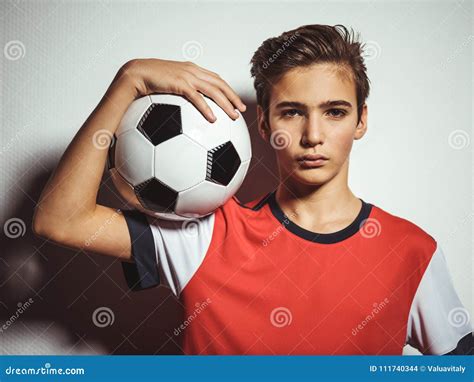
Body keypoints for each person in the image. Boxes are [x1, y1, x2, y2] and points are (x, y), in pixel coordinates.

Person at [33, 24, 472, 355]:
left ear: (361, 121)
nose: (313, 134)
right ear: (263, 124)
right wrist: (128, 80)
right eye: (292, 112)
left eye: (335, 112)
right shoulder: (203, 236)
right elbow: (59, 219)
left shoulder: (412, 251)